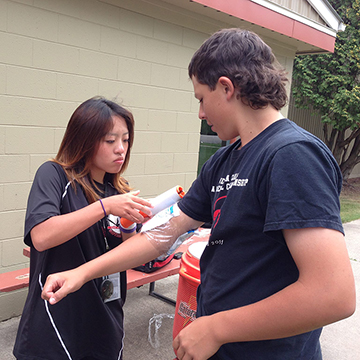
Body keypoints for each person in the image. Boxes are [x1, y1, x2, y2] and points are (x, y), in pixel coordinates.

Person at [41, 29, 356, 360]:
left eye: (201, 99)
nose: (201, 114)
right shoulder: (224, 160)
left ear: (226, 87)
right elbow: (165, 233)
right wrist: (84, 272)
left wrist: (217, 328)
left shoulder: (292, 155)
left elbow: (331, 294)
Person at [13, 97, 153, 360]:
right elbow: (40, 236)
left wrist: (128, 224)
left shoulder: (118, 190)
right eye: (110, 141)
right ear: (85, 139)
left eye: (125, 140)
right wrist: (105, 207)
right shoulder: (54, 175)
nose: (120, 149)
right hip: (58, 316)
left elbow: (127, 253)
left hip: (106, 312)